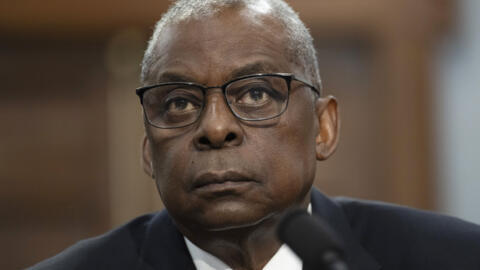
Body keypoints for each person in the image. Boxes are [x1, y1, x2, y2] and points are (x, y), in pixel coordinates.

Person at [29, 0, 480, 269]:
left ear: (323, 128)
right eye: (179, 103)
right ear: (149, 150)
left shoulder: (454, 258)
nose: (215, 128)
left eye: (257, 94)